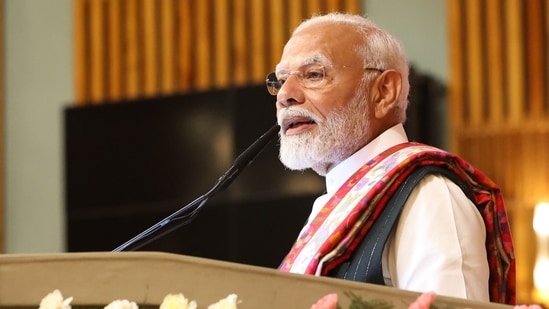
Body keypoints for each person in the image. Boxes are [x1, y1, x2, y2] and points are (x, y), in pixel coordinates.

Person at [265, 12, 516, 305]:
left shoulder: (428, 196)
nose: (285, 95)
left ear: (384, 92)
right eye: (281, 80)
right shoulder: (330, 204)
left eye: (314, 74)